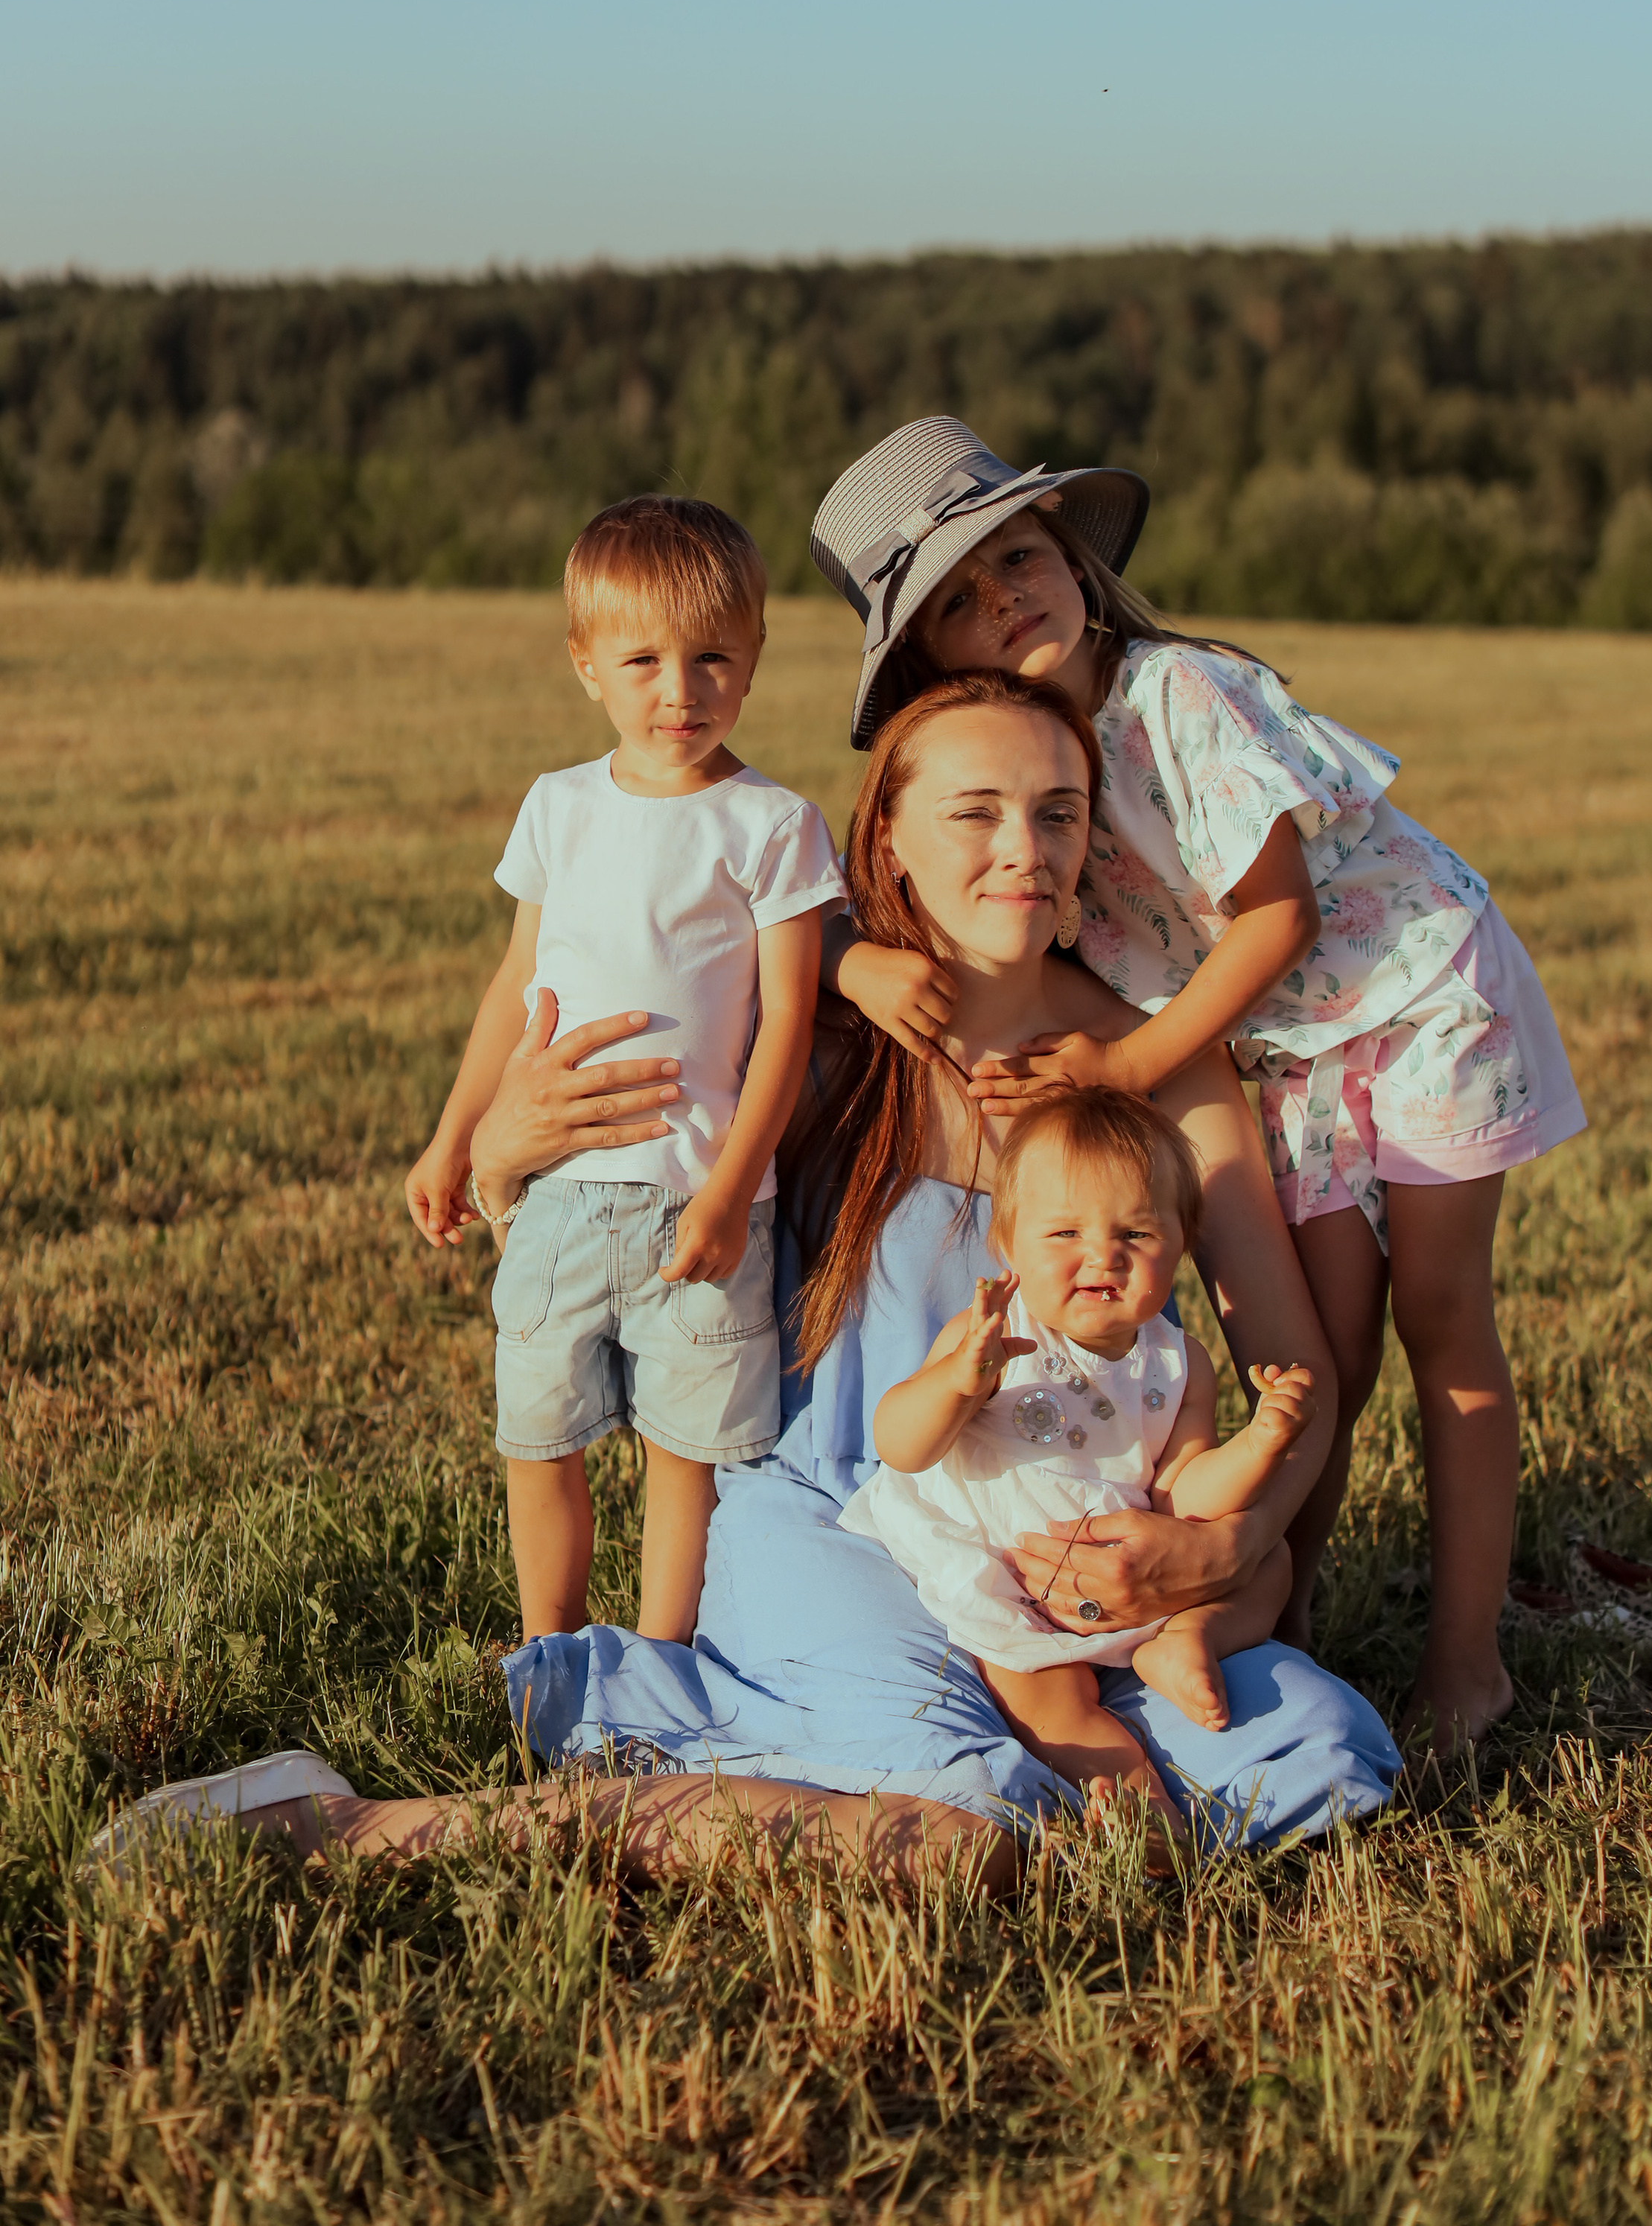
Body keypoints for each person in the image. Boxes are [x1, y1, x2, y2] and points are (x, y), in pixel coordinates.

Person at [97, 677, 1394, 1882]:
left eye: (1059, 813)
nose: (1026, 848)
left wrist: (1212, 1542)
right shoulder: (797, 1038)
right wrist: (498, 1150)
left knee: (1323, 1745)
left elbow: (1294, 1372)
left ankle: (1013, 1773)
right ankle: (359, 1829)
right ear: (885, 836)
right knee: (965, 1836)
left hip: (1071, 1557)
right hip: (833, 1522)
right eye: (976, 811)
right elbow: (571, 1216)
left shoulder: (1152, 1061)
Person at [809, 418, 1588, 1749]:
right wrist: (852, 967)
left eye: (1019, 556)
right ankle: (1283, 1614)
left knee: (1442, 1320)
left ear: (1074, 558)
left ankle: (1468, 1660)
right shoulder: (1039, 775)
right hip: (1285, 1051)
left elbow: (1276, 921)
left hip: (1411, 999)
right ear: (933, 660)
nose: (1004, 599)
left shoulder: (1175, 699)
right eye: (957, 600)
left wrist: (1123, 1066)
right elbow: (785, 901)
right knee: (1321, 1356)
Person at [402, 494, 846, 1642]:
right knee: (537, 1435)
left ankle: (663, 1662)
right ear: (585, 664)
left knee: (682, 1453)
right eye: (643, 659)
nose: (679, 690)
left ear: (753, 661)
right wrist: (455, 1137)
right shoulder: (559, 807)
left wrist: (733, 1192)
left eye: (713, 658)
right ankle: (548, 1653)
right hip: (556, 1197)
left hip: (698, 1201)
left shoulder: (772, 824)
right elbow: (516, 985)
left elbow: (788, 1022)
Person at [842, 1087, 1320, 1829]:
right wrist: (959, 1382)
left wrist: (1259, 1444)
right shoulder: (990, 1337)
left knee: (1273, 1564)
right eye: (1064, 1232)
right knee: (1050, 1696)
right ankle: (1131, 1797)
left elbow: (1185, 1493)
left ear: (1180, 1243)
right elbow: (900, 1445)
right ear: (1009, 1244)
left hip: (1130, 1567)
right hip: (1013, 1570)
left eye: (1135, 1232)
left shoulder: (1177, 1361)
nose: (1102, 1254)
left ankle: (1187, 1642)